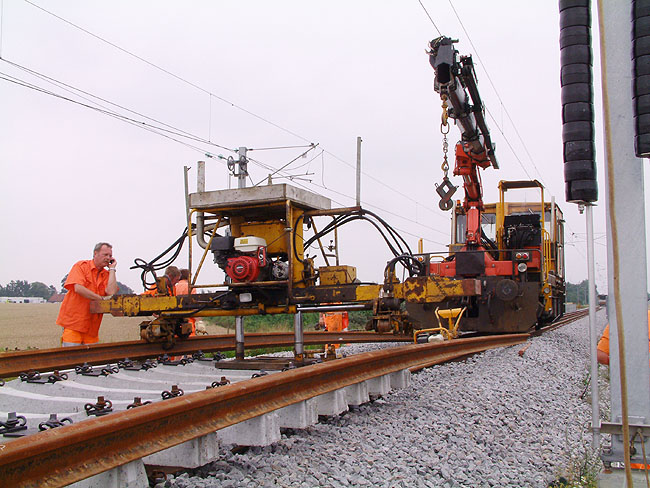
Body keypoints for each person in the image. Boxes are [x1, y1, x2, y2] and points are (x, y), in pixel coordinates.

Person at [57, 242, 118, 347]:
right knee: (71, 356)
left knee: (92, 357)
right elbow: (78, 288)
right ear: (95, 253)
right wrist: (100, 299)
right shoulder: (81, 266)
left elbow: (111, 292)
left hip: (92, 327)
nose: (108, 258)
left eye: (110, 256)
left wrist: (112, 269)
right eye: (105, 255)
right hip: (74, 324)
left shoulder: (106, 275)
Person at [175, 268, 199, 336]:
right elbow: (195, 306)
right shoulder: (190, 288)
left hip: (175, 321)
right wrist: (199, 321)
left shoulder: (174, 287)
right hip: (188, 320)